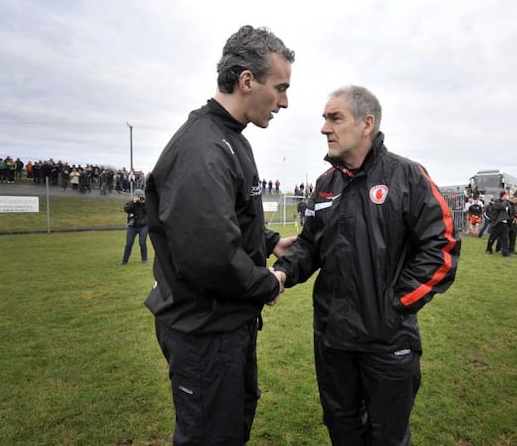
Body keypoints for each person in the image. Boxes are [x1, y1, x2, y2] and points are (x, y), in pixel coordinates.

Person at [272, 85, 460, 446]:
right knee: (342, 430)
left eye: (334, 118)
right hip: (332, 339)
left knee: (386, 436)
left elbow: (443, 246)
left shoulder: (407, 176)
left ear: (366, 123)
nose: (324, 128)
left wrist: (396, 306)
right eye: (324, 119)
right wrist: (282, 272)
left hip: (388, 341)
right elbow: (310, 244)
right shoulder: (326, 184)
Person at [142, 25, 296, 445]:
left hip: (226, 324)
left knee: (231, 427)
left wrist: (268, 243)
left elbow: (227, 218)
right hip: (203, 331)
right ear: (247, 80)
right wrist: (268, 282)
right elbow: (210, 255)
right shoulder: (203, 148)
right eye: (280, 87)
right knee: (211, 436)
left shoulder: (232, 139)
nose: (284, 102)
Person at [121, 189, 149, 265]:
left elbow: (149, 212)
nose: (140, 198)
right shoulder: (130, 203)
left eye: (141, 197)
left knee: (142, 243)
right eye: (138, 197)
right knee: (129, 243)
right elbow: (127, 209)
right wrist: (133, 202)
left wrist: (143, 202)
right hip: (132, 226)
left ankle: (144, 259)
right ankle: (124, 260)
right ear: (134, 196)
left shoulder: (145, 203)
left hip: (143, 226)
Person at [485, 190, 513, 257]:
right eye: (506, 195)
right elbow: (502, 207)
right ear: (503, 196)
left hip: (505, 223)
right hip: (497, 223)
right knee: (493, 237)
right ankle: (489, 249)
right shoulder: (497, 202)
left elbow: (510, 210)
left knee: (505, 238)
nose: (507, 196)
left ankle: (505, 253)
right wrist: (506, 200)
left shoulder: (507, 203)